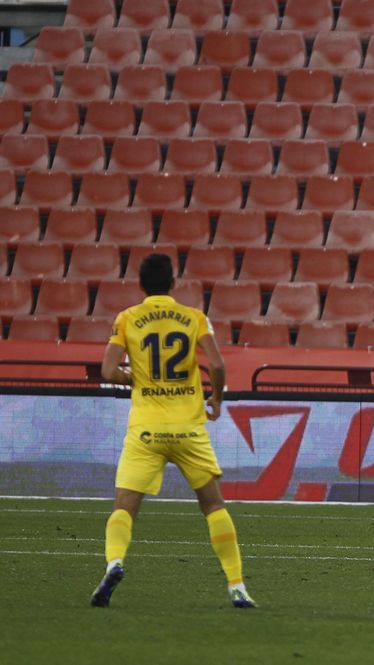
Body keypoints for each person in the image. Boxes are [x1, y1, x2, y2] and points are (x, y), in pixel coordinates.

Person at [92, 254, 254, 608]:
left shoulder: (128, 318)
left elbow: (106, 371)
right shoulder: (194, 317)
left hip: (146, 429)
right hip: (188, 428)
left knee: (124, 508)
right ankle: (236, 585)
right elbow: (216, 364)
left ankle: (115, 562)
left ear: (140, 285)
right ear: (174, 283)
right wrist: (216, 399)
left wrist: (129, 377)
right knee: (213, 506)